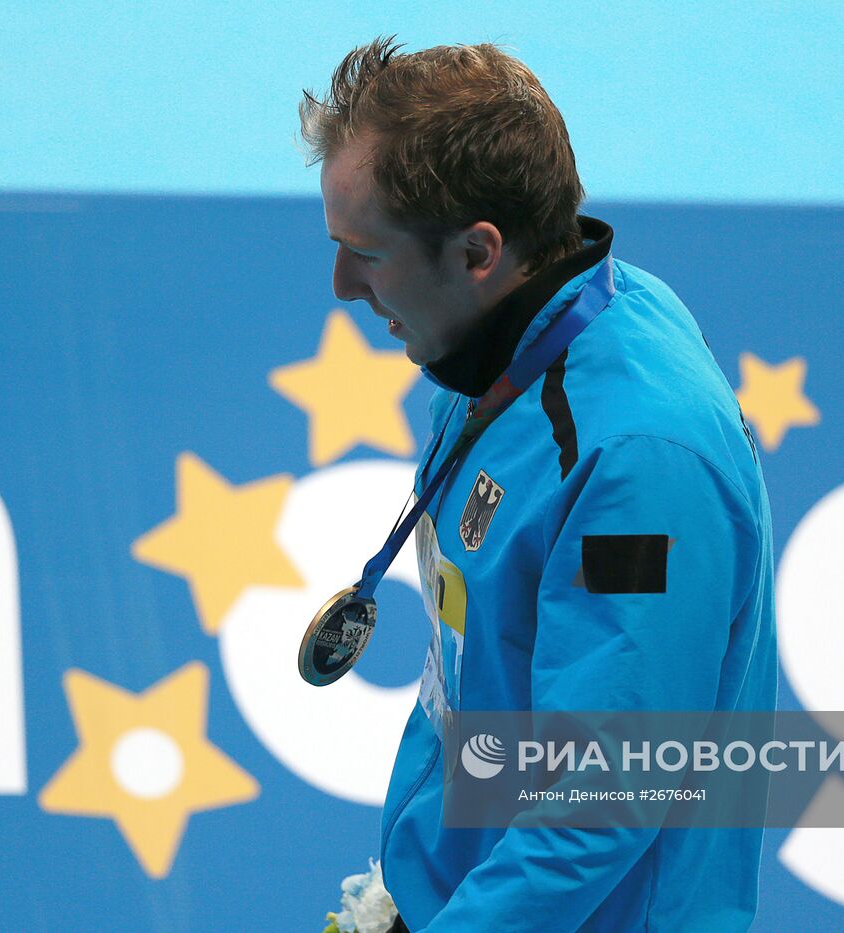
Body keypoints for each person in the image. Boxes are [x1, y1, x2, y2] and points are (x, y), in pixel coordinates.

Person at [300, 36, 778, 932]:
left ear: (479, 251)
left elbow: (603, 797)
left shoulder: (637, 463)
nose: (341, 285)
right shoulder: (512, 335)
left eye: (364, 251)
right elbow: (475, 668)